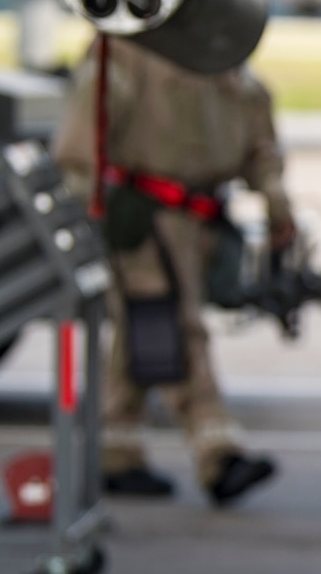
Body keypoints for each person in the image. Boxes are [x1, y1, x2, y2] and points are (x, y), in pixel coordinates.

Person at [53, 35, 286, 505]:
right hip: (142, 217)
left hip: (198, 220)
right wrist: (95, 208)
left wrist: (278, 209)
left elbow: (259, 141)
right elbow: (80, 141)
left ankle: (115, 452)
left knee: (141, 331)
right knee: (175, 328)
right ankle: (218, 452)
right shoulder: (125, 53)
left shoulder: (225, 55)